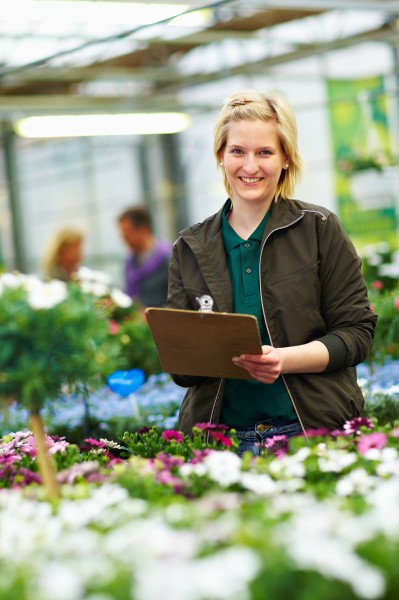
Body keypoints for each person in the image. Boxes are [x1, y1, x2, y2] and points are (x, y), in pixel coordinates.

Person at [166, 89, 377, 455]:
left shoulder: (319, 229)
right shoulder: (190, 247)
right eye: (238, 151)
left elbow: (356, 334)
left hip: (310, 435)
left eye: (264, 152)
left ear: (285, 159)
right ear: (221, 156)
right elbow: (182, 371)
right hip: (221, 446)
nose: (250, 166)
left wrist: (284, 360)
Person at [118, 206, 172, 308]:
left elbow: (180, 301)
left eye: (127, 234)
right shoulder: (131, 262)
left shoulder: (169, 259)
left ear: (143, 229)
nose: (124, 240)